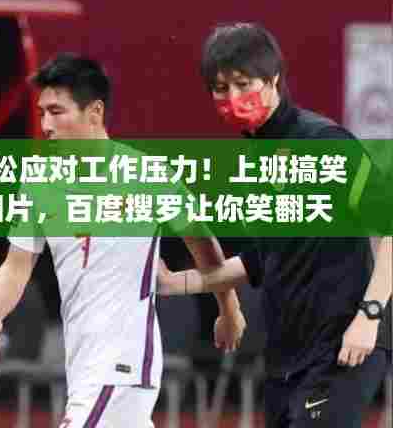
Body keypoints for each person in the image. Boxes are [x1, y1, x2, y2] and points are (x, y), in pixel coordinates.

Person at [0, 54, 246, 428]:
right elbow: (15, 266)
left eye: (57, 112)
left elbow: (206, 251)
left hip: (123, 364)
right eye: (41, 113)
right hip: (83, 367)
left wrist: (229, 310)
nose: (46, 125)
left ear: (95, 112)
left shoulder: (148, 175)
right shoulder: (39, 183)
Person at [158, 23, 392, 427]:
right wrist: (174, 283)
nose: (232, 98)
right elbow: (263, 261)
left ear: (273, 80)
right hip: (285, 358)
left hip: (342, 345)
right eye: (220, 88)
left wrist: (369, 316)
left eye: (242, 84)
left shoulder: (324, 142)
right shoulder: (256, 161)